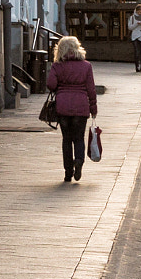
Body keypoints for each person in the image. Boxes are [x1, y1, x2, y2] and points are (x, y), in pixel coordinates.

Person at [45, 36, 97, 184]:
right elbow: (91, 89)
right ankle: (79, 161)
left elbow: (51, 84)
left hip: (63, 107)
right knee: (79, 138)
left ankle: (68, 173)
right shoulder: (86, 66)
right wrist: (93, 107)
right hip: (81, 107)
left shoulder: (57, 65)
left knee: (66, 140)